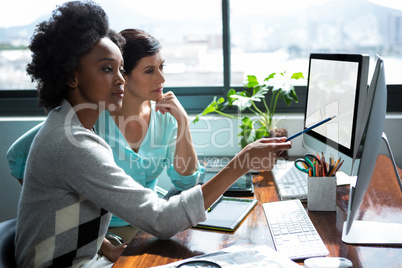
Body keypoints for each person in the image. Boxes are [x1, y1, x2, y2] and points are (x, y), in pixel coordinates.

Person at [14, 1, 291, 267]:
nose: (119, 79)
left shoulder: (69, 124)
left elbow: (179, 187)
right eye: (107, 69)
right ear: (72, 76)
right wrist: (241, 162)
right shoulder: (74, 144)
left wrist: (100, 243)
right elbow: (161, 220)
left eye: (120, 69)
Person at [7, 29, 204, 242]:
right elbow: (18, 155)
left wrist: (183, 123)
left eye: (161, 67)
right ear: (123, 76)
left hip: (147, 223)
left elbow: (186, 183)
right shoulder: (90, 118)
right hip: (108, 233)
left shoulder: (164, 115)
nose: (162, 78)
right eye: (149, 71)